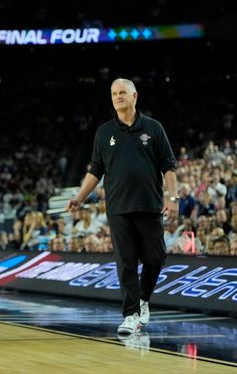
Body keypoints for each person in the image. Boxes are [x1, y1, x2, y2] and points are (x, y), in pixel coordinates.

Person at [67, 78, 178, 337]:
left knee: (155, 258)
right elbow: (96, 170)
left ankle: (142, 300)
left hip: (150, 206)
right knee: (126, 263)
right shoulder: (104, 132)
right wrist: (80, 197)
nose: (118, 97)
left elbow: (169, 166)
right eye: (114, 93)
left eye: (122, 93)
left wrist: (172, 199)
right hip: (118, 209)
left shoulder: (154, 127)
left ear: (134, 96)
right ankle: (130, 315)